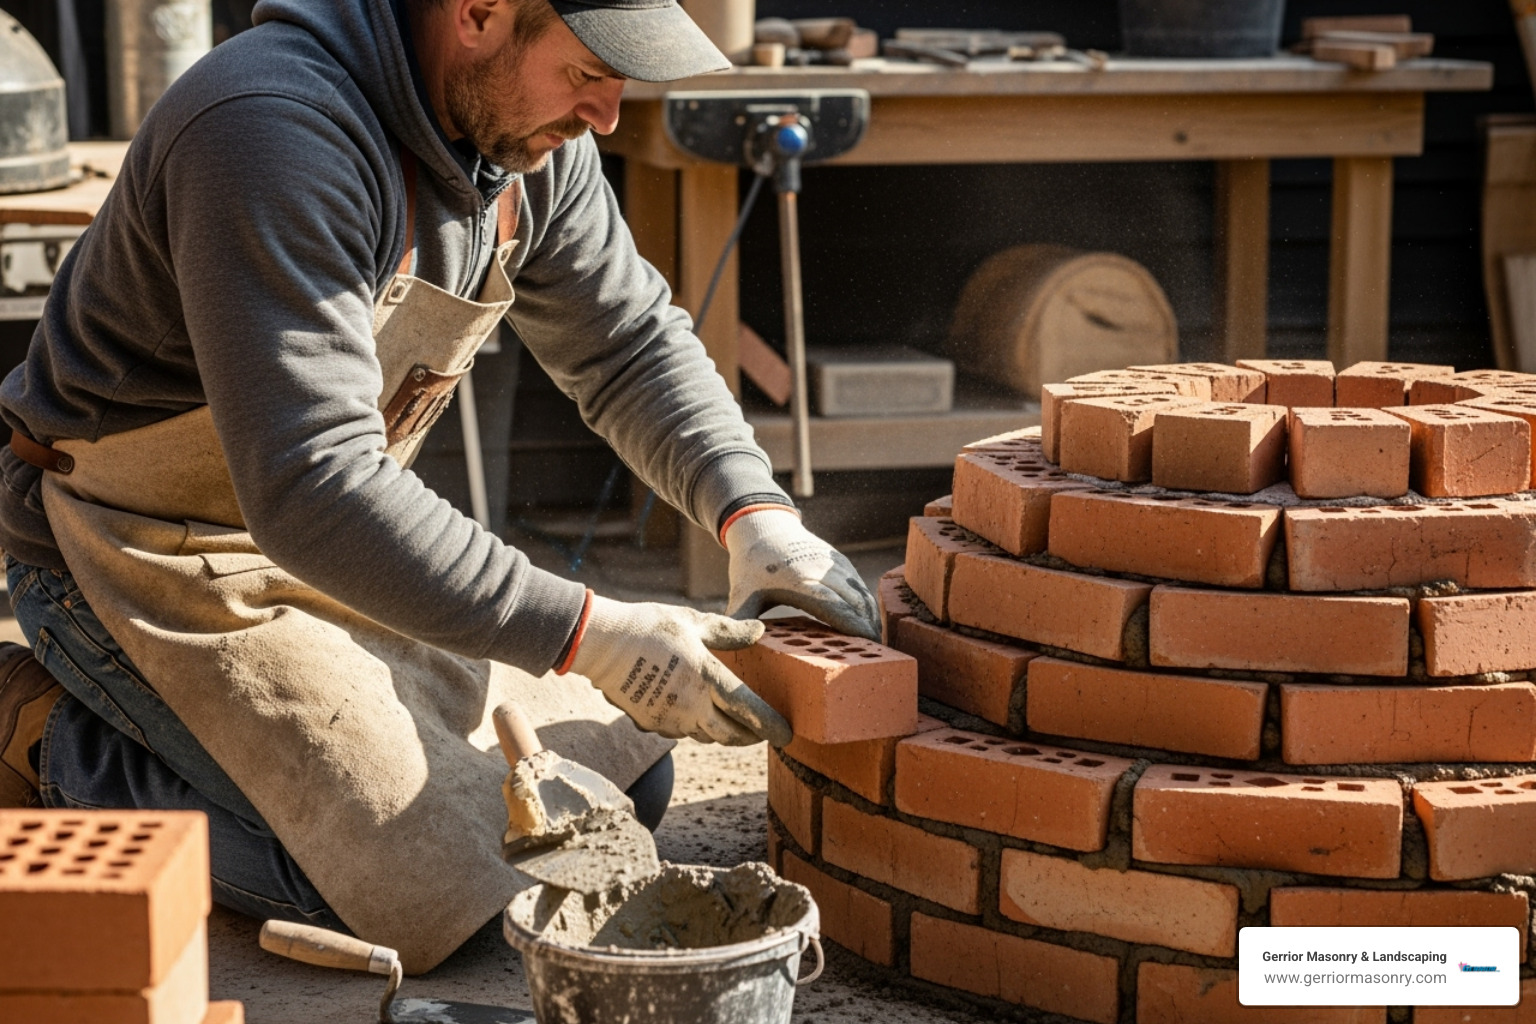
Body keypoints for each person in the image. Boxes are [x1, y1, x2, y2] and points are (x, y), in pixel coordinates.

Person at [0, 0, 879, 971]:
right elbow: (314, 481)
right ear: (480, 14)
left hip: (337, 548)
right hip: (134, 557)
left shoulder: (520, 144)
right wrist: (589, 633)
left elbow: (628, 346)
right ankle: (42, 730)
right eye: (589, 73)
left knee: (611, 794)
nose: (607, 117)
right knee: (380, 881)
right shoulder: (270, 129)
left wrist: (751, 514)